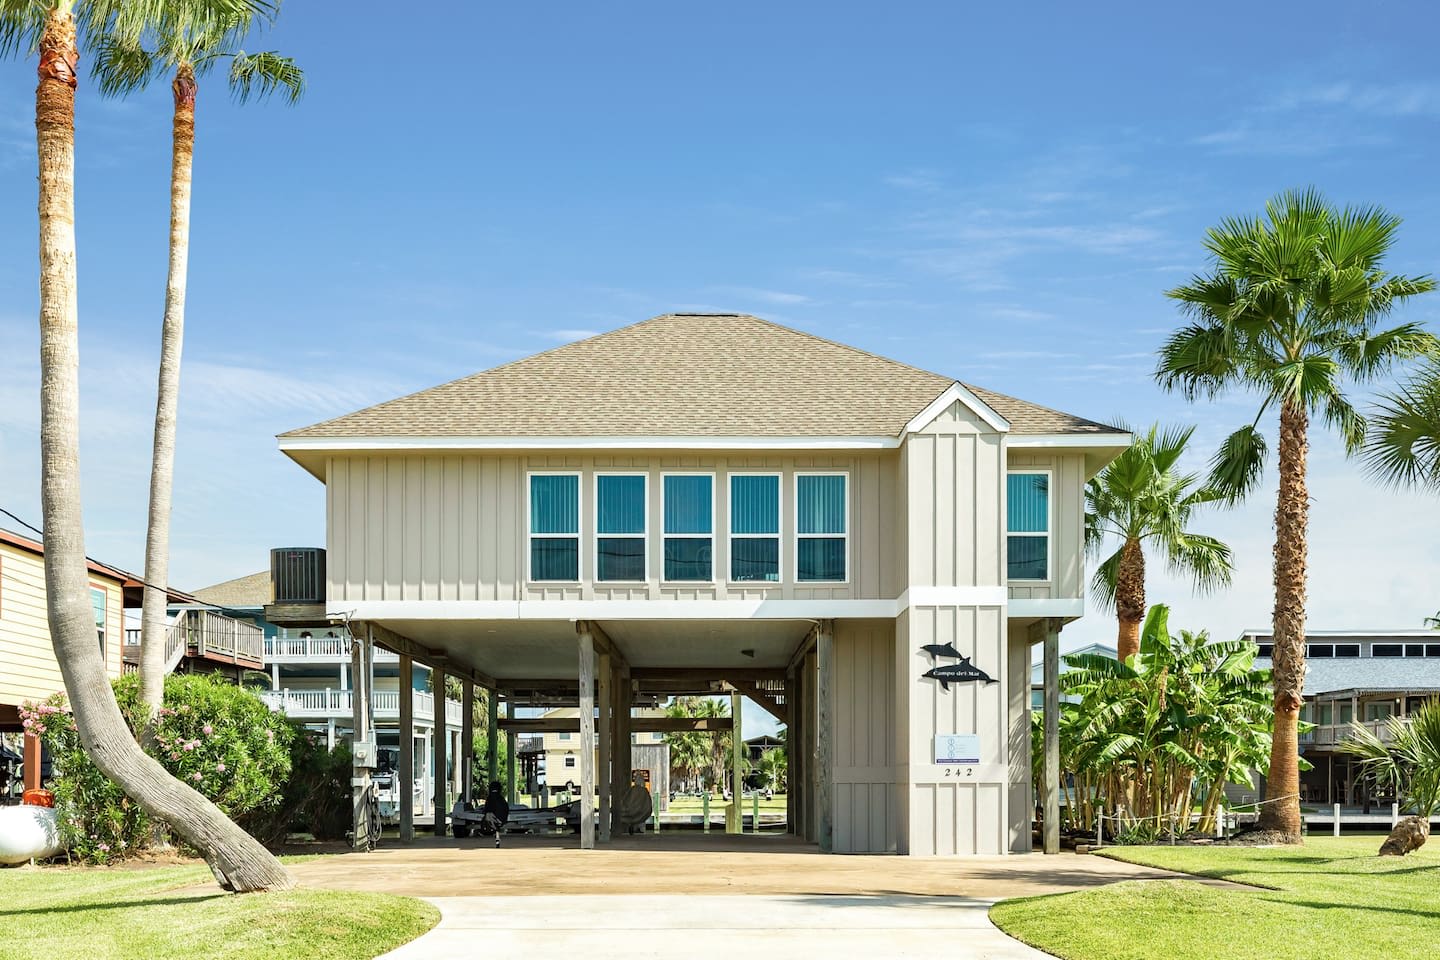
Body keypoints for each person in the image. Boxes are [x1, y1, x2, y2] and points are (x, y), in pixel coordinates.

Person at [480, 781, 509, 847]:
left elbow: (487, 809)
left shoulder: (490, 798)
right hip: (502, 819)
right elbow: (506, 808)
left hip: (493, 819)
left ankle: (493, 830)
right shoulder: (501, 798)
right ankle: (496, 833)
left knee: (488, 817)